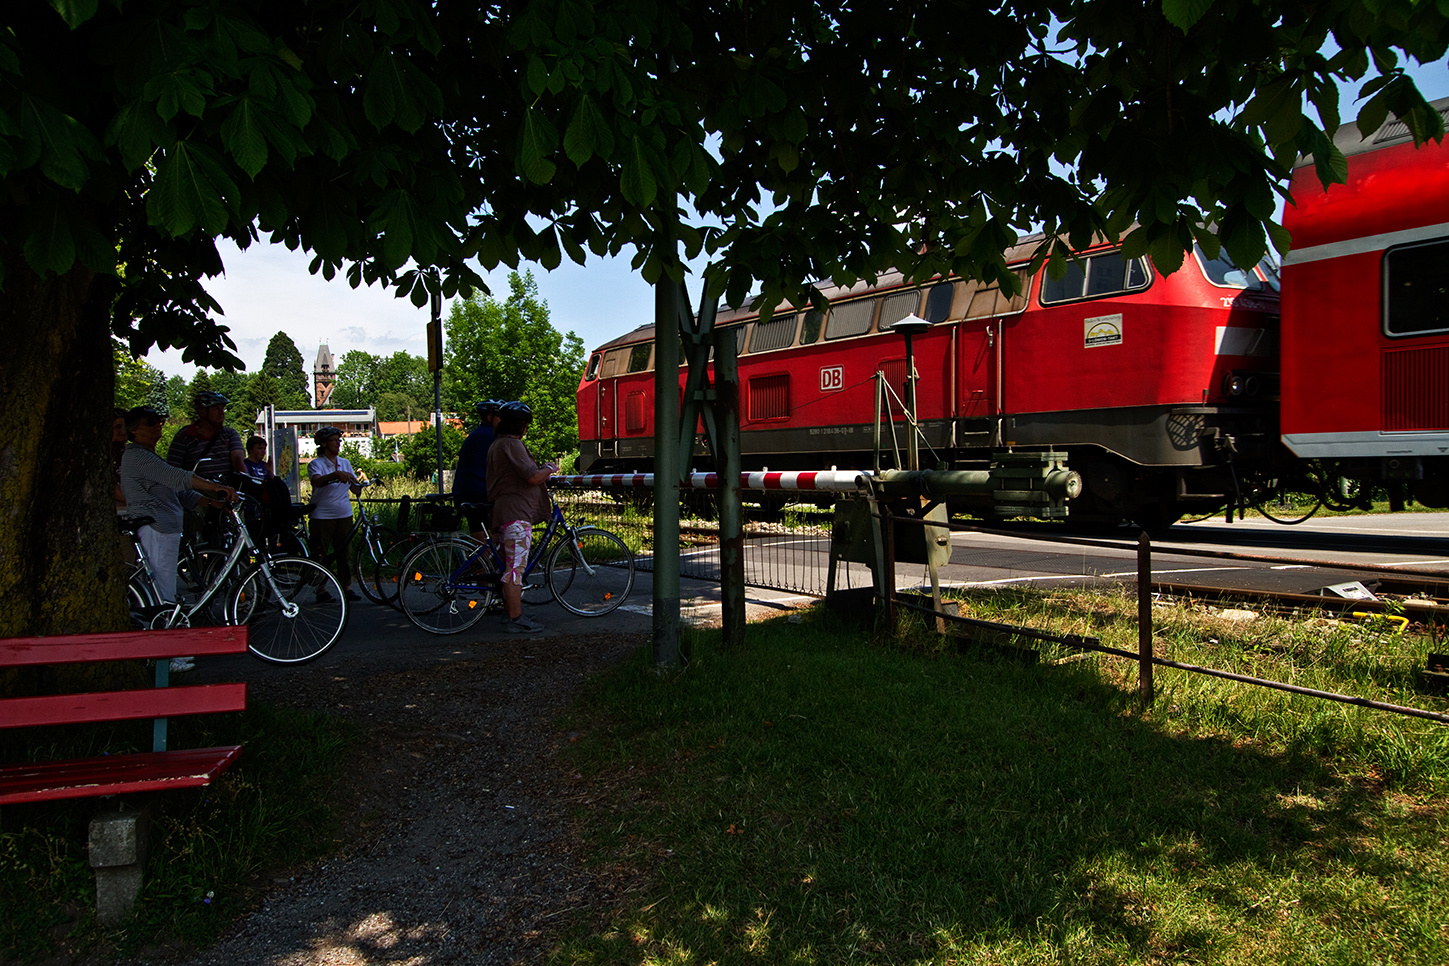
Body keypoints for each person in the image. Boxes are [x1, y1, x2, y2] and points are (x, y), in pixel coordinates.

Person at [119, 405, 237, 671]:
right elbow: (178, 478)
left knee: (164, 589)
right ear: (134, 429)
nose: (158, 426)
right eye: (150, 422)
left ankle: (170, 652)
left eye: (160, 421)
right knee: (162, 595)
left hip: (166, 528)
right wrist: (216, 486)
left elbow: (176, 491)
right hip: (156, 528)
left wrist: (210, 501)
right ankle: (166, 657)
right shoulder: (137, 456)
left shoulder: (151, 456)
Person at [485, 401, 557, 633]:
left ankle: (511, 611)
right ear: (521, 426)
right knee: (515, 569)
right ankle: (516, 619)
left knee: (509, 565)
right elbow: (532, 478)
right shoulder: (512, 445)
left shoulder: (496, 444)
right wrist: (549, 468)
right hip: (517, 515)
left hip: (503, 512)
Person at [167, 391, 245, 547]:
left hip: (226, 490)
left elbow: (238, 460)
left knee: (239, 531)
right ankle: (197, 563)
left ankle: (240, 564)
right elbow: (173, 470)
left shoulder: (229, 434)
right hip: (197, 491)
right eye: (216, 409)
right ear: (202, 411)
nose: (221, 413)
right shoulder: (184, 436)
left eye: (223, 409)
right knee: (195, 528)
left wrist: (243, 483)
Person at [308, 426, 363, 601]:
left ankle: (346, 586)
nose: (338, 444)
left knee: (344, 552)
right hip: (322, 515)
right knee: (321, 552)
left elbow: (355, 489)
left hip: (343, 513)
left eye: (339, 441)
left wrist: (357, 484)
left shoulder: (345, 463)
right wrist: (335, 475)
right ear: (324, 443)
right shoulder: (316, 464)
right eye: (334, 441)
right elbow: (317, 481)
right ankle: (320, 588)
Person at [453, 399, 503, 543]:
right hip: (477, 494)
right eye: (500, 417)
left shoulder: (478, 433)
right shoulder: (490, 436)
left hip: (467, 492)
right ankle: (480, 565)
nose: (503, 421)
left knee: (483, 534)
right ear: (490, 417)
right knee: (487, 539)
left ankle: (480, 562)